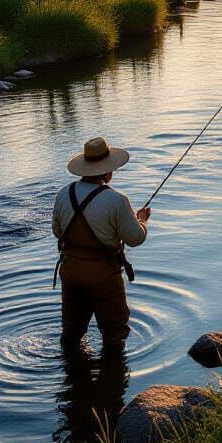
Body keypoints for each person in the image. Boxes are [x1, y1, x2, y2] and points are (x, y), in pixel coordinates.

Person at [52, 136, 151, 353]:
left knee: (71, 332)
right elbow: (135, 238)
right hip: (103, 277)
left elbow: (57, 232)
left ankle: (71, 378)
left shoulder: (63, 194)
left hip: (71, 273)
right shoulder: (116, 200)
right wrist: (141, 220)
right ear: (108, 172)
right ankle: (113, 381)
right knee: (114, 335)